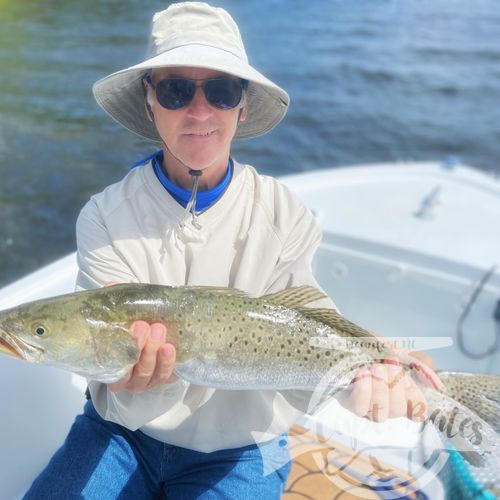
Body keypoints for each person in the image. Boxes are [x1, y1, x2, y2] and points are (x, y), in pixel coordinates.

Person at [24, 3, 437, 499]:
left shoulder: (286, 214)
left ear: (242, 106)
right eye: (176, 90)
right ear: (149, 100)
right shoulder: (105, 216)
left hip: (243, 446)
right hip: (122, 435)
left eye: (221, 90)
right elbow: (115, 395)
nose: (200, 112)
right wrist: (136, 385)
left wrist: (359, 381)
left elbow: (305, 325)